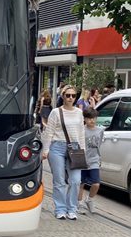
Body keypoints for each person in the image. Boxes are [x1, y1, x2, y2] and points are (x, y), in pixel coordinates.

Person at [40, 84, 87, 220]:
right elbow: (49, 132)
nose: (71, 98)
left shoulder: (79, 112)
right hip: (57, 148)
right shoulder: (56, 112)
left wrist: (82, 150)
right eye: (68, 95)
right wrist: (46, 150)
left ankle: (72, 209)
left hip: (75, 148)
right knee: (59, 181)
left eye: (73, 95)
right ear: (63, 96)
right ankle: (60, 209)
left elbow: (81, 132)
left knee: (75, 181)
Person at [78, 108, 104, 215]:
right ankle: (79, 203)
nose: (91, 121)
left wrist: (99, 158)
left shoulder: (100, 130)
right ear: (84, 119)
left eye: (93, 118)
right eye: (89, 119)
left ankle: (89, 199)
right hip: (83, 159)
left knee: (96, 183)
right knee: (81, 183)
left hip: (94, 160)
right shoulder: (82, 130)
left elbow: (99, 145)